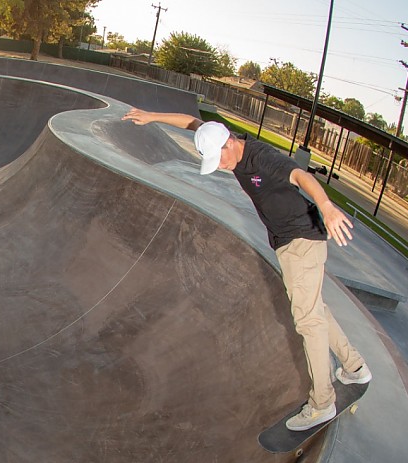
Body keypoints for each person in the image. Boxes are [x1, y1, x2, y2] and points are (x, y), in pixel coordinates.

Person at [122, 109, 372, 431]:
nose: (221, 167)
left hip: (301, 241)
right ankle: (354, 367)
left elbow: (300, 176)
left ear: (229, 144)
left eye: (220, 160)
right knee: (316, 310)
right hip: (292, 240)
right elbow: (192, 123)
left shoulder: (261, 157)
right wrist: (152, 116)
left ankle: (322, 403)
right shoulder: (223, 138)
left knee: (308, 320)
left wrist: (326, 206)